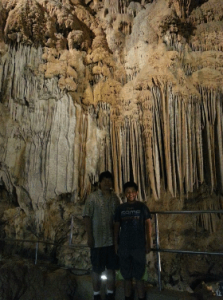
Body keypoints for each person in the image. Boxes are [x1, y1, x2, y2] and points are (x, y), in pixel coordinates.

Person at [83, 171, 120, 300]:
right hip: (97, 241)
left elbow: (117, 221)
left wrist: (116, 241)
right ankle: (96, 294)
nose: (107, 183)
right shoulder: (92, 197)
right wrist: (90, 237)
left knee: (111, 269)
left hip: (110, 241)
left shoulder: (115, 199)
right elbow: (87, 217)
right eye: (104, 180)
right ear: (100, 183)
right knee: (97, 269)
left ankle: (110, 293)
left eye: (109, 180)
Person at [114, 181, 152, 300]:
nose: (130, 194)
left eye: (132, 192)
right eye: (128, 192)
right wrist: (116, 244)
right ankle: (128, 297)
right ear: (125, 193)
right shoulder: (120, 208)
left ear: (136, 193)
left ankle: (141, 297)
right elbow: (116, 227)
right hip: (124, 246)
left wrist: (149, 242)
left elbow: (148, 224)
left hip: (138, 246)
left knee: (139, 277)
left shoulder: (142, 207)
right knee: (126, 277)